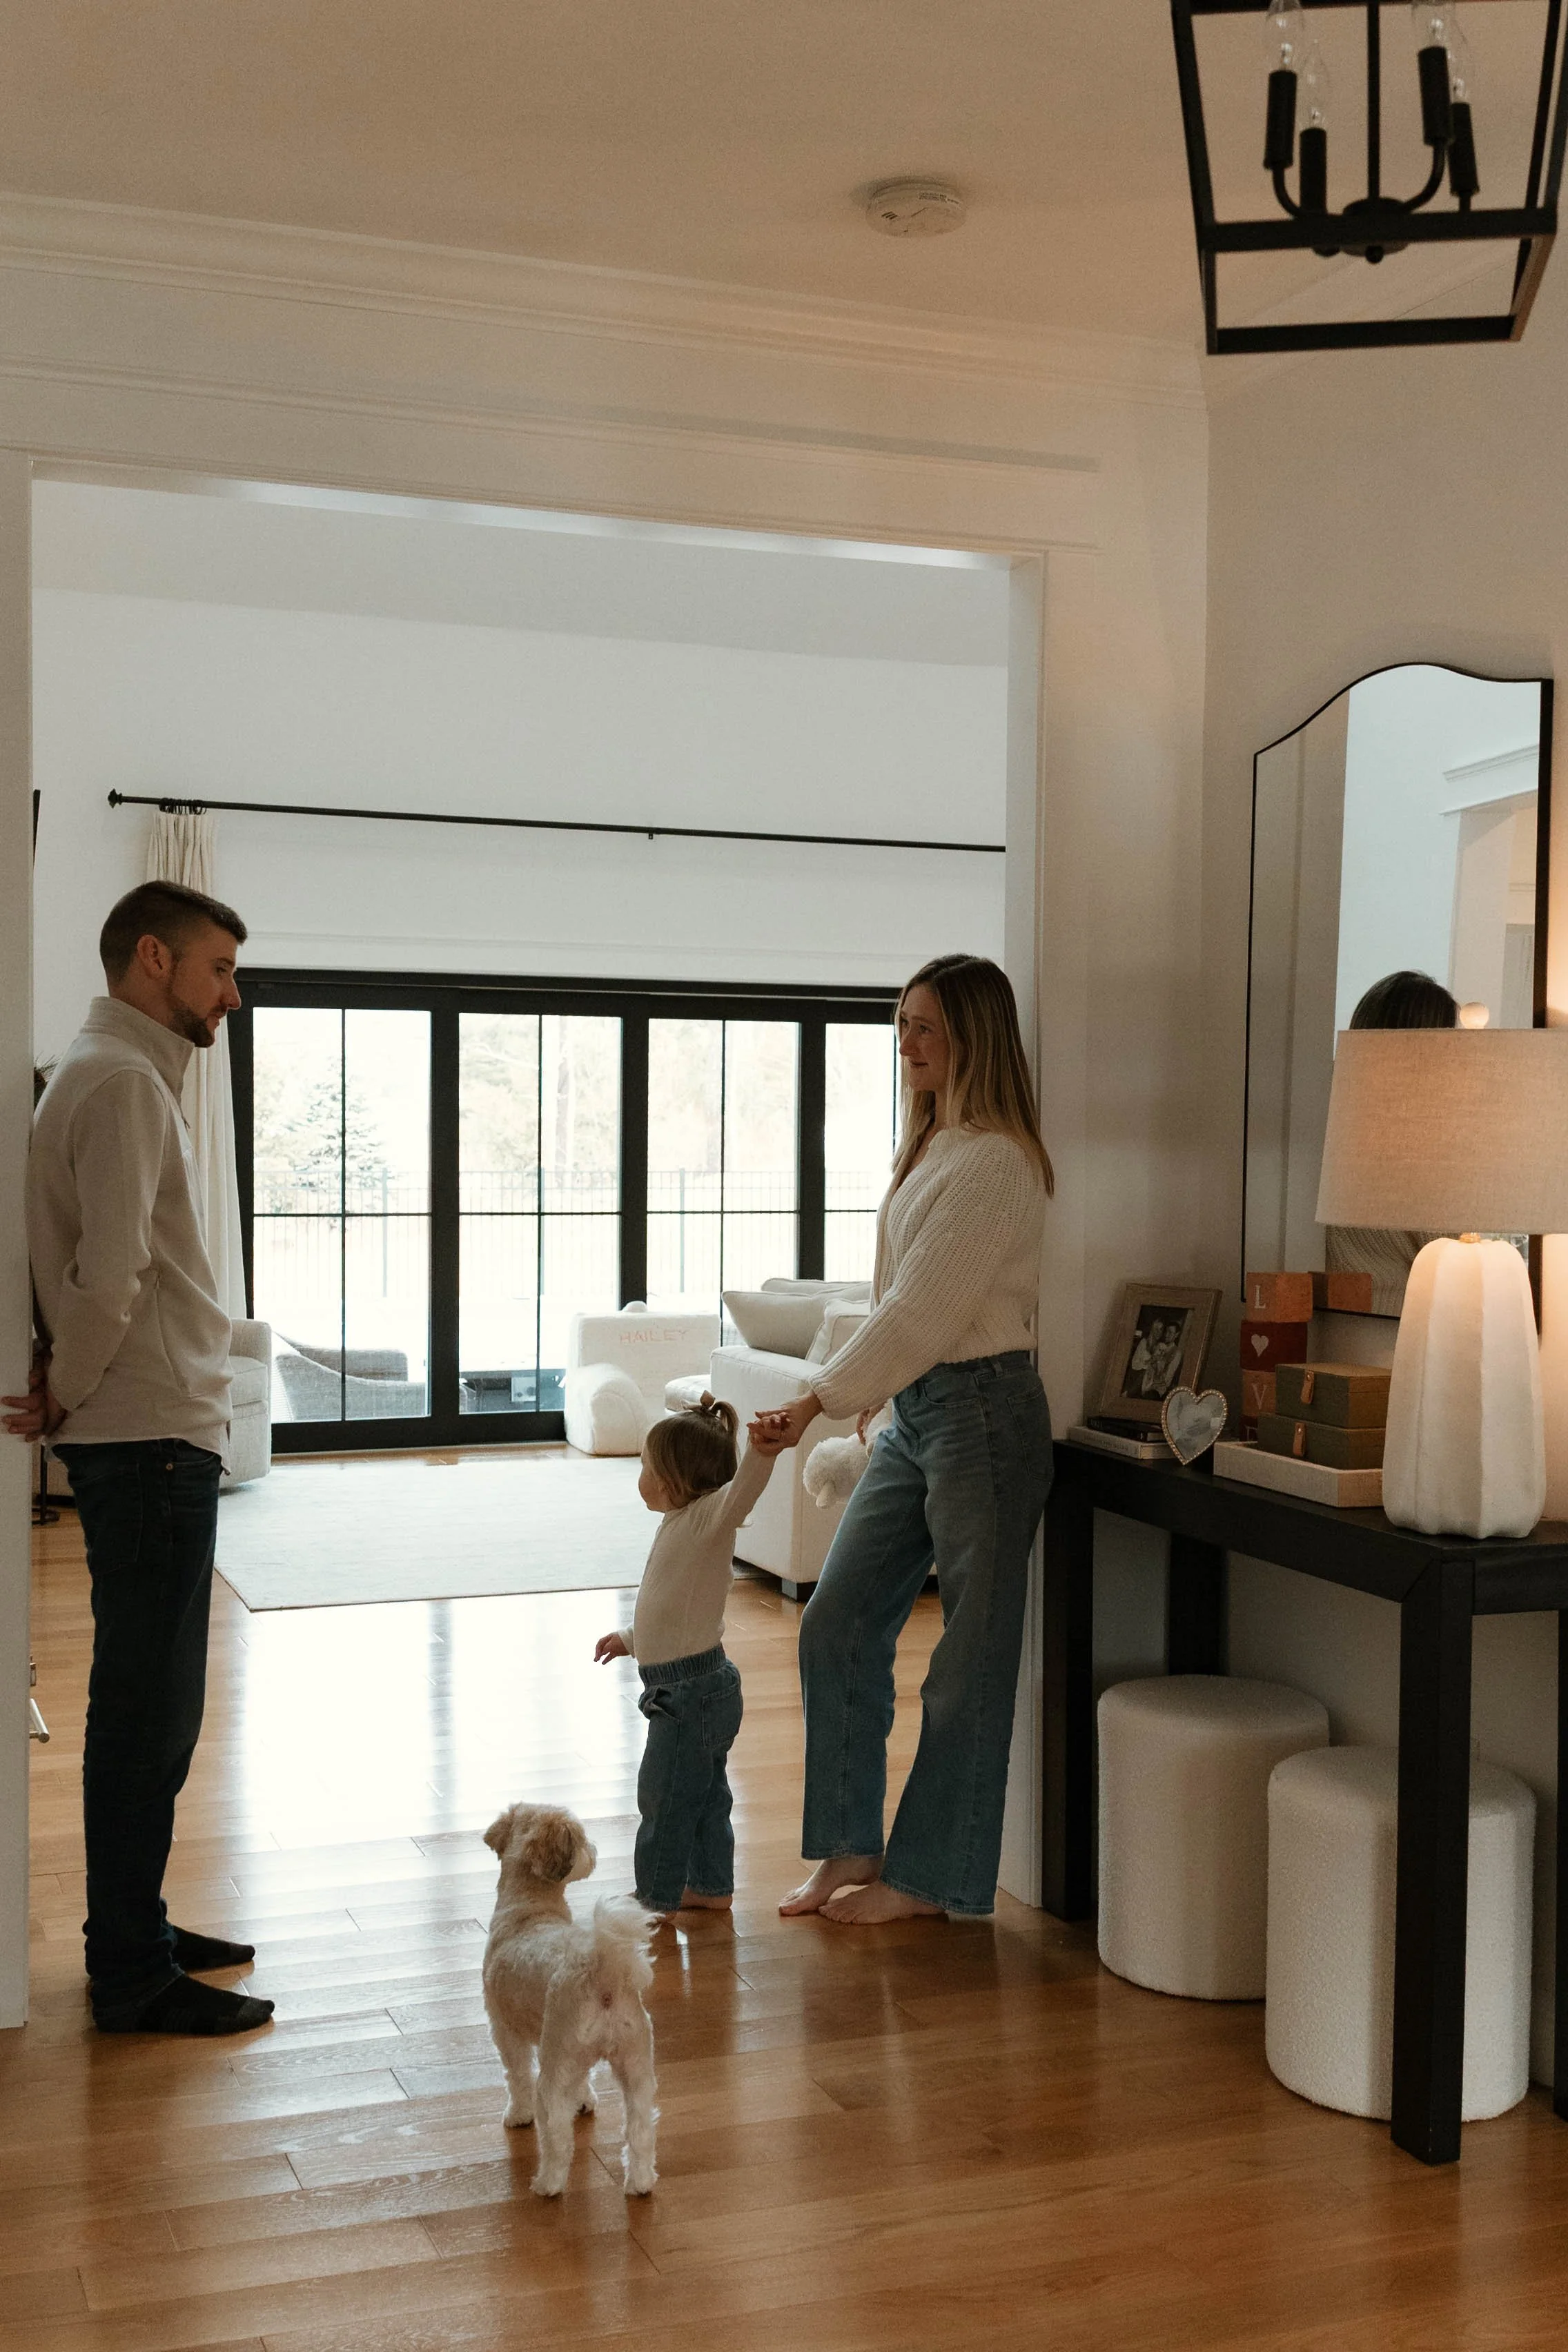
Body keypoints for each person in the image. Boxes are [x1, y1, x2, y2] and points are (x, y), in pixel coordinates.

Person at [2, 880, 275, 2036]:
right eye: (218, 968)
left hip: (151, 1429)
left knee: (155, 1707)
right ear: (154, 960)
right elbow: (109, 1272)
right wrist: (64, 1383)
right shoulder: (119, 1083)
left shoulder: (109, 1074)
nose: (232, 993)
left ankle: (143, 1926)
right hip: (146, 1431)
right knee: (143, 1710)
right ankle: (127, 1967)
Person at [756, 953, 1055, 1927]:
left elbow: (924, 1310)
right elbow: (893, 1304)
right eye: (902, 1023)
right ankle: (851, 1845)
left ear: (974, 1035)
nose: (906, 1042)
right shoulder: (931, 1148)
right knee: (837, 1622)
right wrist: (874, 1402)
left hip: (986, 1415)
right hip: (922, 1414)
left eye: (926, 1026)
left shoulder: (1000, 1161)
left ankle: (932, 1882)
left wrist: (818, 1399)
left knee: (967, 1660)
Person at [594, 1395, 783, 1915]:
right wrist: (630, 1638)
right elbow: (673, 1601)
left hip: (691, 1695)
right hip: (698, 1686)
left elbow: (741, 1493)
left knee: (665, 1800)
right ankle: (710, 1886)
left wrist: (761, 1453)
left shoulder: (708, 1518)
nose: (641, 1477)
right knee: (705, 1800)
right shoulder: (681, 1524)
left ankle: (654, 1896)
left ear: (675, 1478)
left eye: (646, 1468)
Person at [1324, 968, 1459, 1315]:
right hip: (1402, 1331)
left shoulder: (1334, 1123)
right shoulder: (1424, 1145)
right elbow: (1453, 1266)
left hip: (1335, 1325)